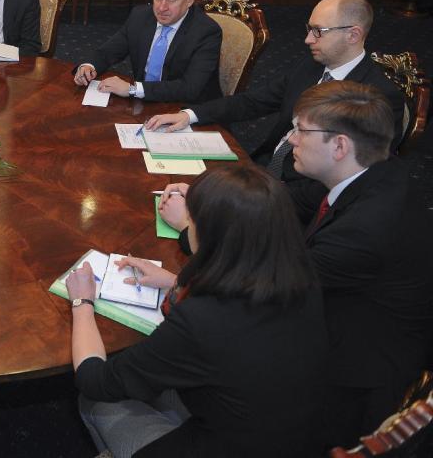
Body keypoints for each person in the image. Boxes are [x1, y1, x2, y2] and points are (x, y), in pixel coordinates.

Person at [66, 164, 327, 457]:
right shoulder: (302, 278)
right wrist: (174, 282)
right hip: (291, 433)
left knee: (93, 403)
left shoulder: (201, 320)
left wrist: (83, 303)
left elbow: (96, 381)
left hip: (223, 444)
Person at [286, 81, 433, 447]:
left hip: (351, 380)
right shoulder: (374, 171)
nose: (291, 139)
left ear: (339, 146)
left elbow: (276, 282)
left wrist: (196, 230)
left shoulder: (365, 231)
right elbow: (291, 200)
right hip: (351, 318)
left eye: (301, 130)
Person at [145, 0, 405, 181]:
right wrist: (189, 115)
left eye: (318, 31)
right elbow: (252, 102)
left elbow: (351, 182)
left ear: (353, 34)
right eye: (309, 29)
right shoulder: (310, 67)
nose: (307, 39)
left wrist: (258, 200)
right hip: (265, 166)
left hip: (297, 197)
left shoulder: (378, 98)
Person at [73, 0, 222, 103]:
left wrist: (133, 90)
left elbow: (189, 88)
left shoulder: (206, 32)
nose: (162, 7)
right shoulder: (140, 16)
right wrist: (88, 66)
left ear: (189, 0)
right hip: (143, 102)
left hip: (183, 108)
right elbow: (109, 51)